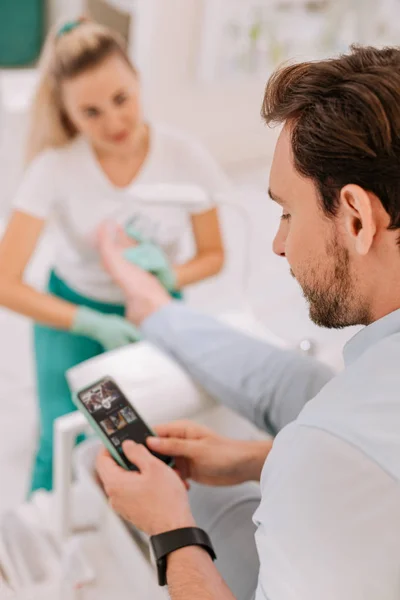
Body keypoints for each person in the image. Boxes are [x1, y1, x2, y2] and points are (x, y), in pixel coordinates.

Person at [96, 45, 400, 600]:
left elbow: (348, 456)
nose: (279, 244)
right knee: (296, 383)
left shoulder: (324, 453)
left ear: (356, 217)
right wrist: (254, 458)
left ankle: (156, 312)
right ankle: (158, 313)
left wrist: (169, 528)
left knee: (199, 493)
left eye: (287, 213)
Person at [0, 19, 229, 493]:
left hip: (155, 308)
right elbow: (5, 282)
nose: (114, 122)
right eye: (91, 112)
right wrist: (89, 322)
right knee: (60, 440)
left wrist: (169, 275)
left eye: (121, 99)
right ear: (67, 115)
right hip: (72, 313)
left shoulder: (185, 156)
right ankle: (42, 545)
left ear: (138, 82)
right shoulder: (54, 168)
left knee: (149, 430)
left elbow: (214, 254)